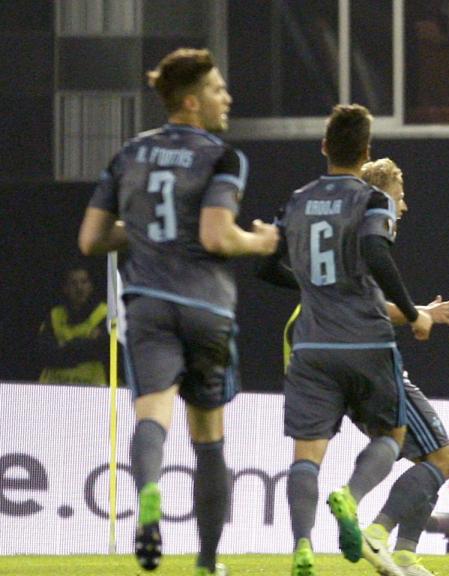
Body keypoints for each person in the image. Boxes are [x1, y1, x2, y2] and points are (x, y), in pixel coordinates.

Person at [77, 48, 279, 576]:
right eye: (217, 90)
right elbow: (216, 235)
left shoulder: (128, 155)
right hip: (206, 307)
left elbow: (91, 239)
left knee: (152, 418)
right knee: (208, 438)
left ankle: (148, 497)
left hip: (146, 305)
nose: (226, 97)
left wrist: (141, 232)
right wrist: (261, 244)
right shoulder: (221, 156)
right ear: (191, 102)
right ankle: (208, 563)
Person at [261, 157, 449, 576]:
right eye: (400, 197)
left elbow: (268, 267)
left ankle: (398, 552)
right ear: (380, 195)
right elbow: (371, 307)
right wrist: (417, 313)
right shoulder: (371, 228)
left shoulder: (327, 252)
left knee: (412, 458)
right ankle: (376, 532)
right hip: (370, 363)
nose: (403, 207)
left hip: (319, 366)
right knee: (442, 461)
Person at [37, 265, 109, 385]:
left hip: (91, 389)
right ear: (65, 288)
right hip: (53, 387)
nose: (79, 288)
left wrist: (63, 346)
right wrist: (82, 343)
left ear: (91, 286)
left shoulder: (104, 314)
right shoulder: (55, 315)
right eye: (73, 283)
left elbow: (101, 348)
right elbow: (43, 352)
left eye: (84, 282)